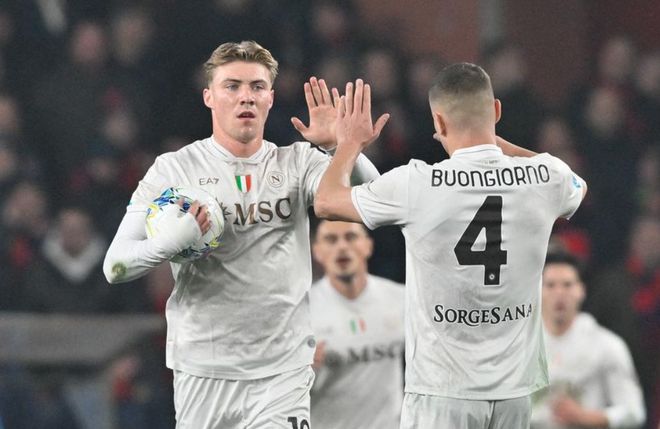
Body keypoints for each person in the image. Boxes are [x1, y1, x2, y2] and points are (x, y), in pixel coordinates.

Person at [103, 40, 380, 428]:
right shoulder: (174, 170)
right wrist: (167, 244)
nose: (245, 96)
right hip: (204, 370)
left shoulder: (298, 162)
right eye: (232, 86)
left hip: (282, 372)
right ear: (209, 97)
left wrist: (341, 148)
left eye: (257, 86)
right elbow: (115, 266)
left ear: (270, 98)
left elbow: (373, 200)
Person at [314, 63, 588, 428]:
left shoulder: (418, 183)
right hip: (515, 394)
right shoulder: (547, 176)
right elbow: (577, 184)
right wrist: (494, 142)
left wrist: (345, 144)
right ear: (496, 111)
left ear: (439, 123)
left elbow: (326, 201)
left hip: (442, 392)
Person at [531, 252, 646, 429]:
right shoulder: (521, 346)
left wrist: (588, 417)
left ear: (581, 290)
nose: (559, 293)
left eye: (567, 285)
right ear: (537, 291)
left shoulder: (607, 345)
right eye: (550, 285)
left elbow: (634, 412)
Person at [310, 220, 404, 429]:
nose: (342, 246)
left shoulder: (401, 299)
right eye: (331, 239)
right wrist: (305, 370)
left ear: (368, 245)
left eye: (351, 237)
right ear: (317, 251)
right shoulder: (302, 312)